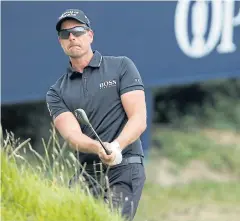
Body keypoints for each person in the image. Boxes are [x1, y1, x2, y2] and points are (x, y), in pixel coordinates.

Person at [46, 9, 147, 221]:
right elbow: (72, 135)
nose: (72, 37)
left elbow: (138, 118)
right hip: (87, 172)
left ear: (90, 35)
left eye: (77, 31)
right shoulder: (56, 92)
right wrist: (99, 148)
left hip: (125, 165)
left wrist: (116, 146)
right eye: (65, 34)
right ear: (60, 42)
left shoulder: (120, 66)